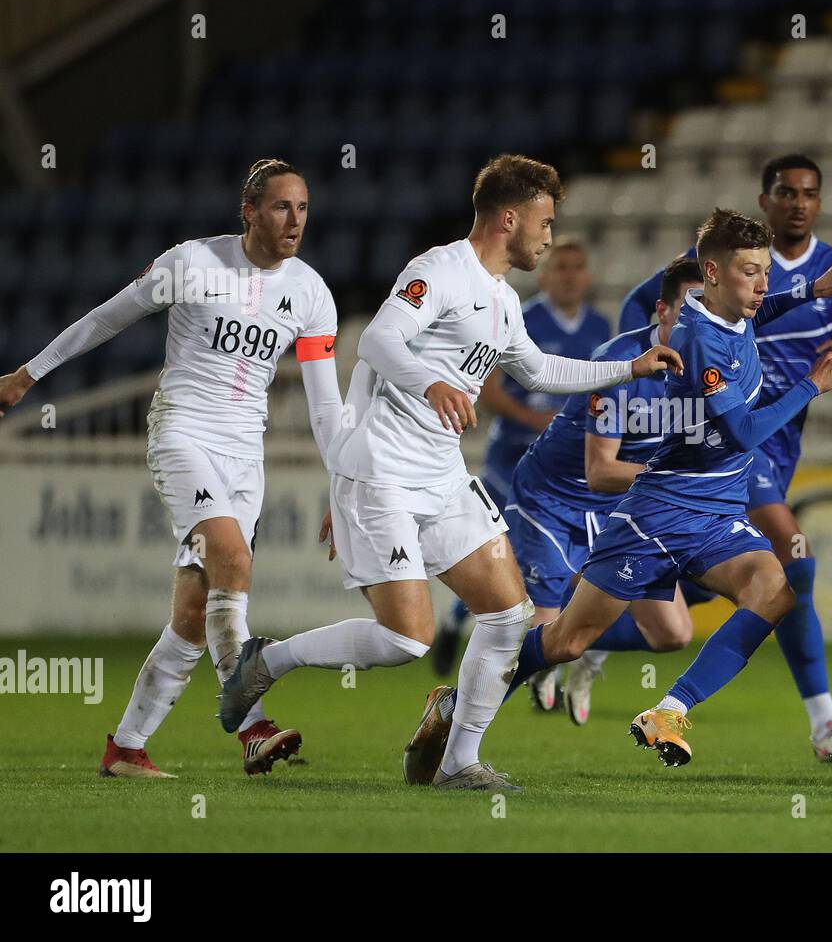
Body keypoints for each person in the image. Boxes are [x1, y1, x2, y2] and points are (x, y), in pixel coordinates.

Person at [216, 154, 682, 792]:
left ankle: (460, 762)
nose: (549, 237)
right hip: (381, 472)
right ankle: (266, 661)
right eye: (544, 223)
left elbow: (544, 372)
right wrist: (430, 381)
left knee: (510, 614)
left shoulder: (502, 299)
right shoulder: (438, 270)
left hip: (441, 476)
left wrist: (629, 368)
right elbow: (379, 342)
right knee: (408, 639)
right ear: (508, 219)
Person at [483, 207, 832, 769]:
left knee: (774, 592)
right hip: (662, 510)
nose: (762, 285)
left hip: (717, 511)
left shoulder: (723, 311)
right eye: (749, 272)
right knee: (565, 640)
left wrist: (811, 289)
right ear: (711, 275)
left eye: (765, 270)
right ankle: (457, 699)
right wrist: (813, 384)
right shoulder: (700, 340)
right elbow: (741, 432)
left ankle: (669, 710)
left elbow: (755, 313)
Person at [0, 158, 342, 777]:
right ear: (250, 212)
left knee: (192, 615)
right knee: (232, 561)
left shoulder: (313, 294)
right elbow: (108, 317)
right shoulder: (192, 263)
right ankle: (254, 724)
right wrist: (29, 375)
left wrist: (343, 486)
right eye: (281, 207)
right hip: (183, 430)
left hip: (247, 454)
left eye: (304, 208)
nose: (295, 221)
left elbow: (325, 406)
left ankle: (126, 748)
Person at [616, 155, 832, 760]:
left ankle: (593, 647)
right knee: (793, 558)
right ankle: (824, 723)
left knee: (690, 606)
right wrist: (642, 372)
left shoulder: (810, 276)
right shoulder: (705, 279)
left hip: (771, 444)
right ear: (765, 201)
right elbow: (640, 311)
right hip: (734, 443)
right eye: (786, 192)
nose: (798, 202)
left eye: (810, 193)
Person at [506, 257, 704, 723]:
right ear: (663, 311)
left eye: (709, 310)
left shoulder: (708, 368)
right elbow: (600, 471)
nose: (700, 321)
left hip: (621, 505)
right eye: (690, 309)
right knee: (546, 637)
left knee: (672, 635)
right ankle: (454, 731)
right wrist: (677, 477)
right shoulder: (619, 363)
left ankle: (583, 653)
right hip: (554, 497)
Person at [432, 238, 610, 678]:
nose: (569, 276)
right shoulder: (521, 315)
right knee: (502, 550)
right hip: (511, 456)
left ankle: (490, 635)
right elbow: (488, 389)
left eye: (576, 267)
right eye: (560, 267)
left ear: (587, 277)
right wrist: (535, 419)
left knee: (532, 558)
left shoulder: (600, 328)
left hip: (563, 463)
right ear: (544, 276)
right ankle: (493, 640)